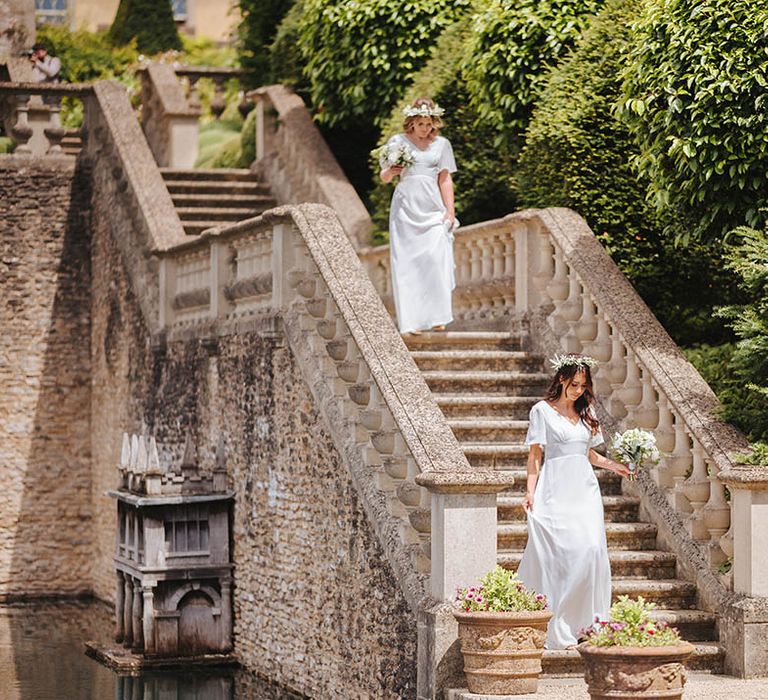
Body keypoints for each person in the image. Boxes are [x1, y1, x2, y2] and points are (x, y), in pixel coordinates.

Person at [517, 353, 631, 650]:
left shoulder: (587, 412)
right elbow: (535, 457)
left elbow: (589, 454)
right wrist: (530, 491)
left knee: (592, 550)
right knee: (562, 555)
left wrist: (616, 466)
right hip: (555, 487)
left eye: (583, 385)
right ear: (561, 379)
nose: (578, 390)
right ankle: (559, 623)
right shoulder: (541, 411)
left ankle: (589, 624)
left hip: (584, 490)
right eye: (574, 383)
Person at [379, 97, 457, 335]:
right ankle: (412, 321)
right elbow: (384, 177)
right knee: (407, 263)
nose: (426, 128)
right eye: (421, 123)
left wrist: (450, 210)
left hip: (432, 206)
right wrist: (391, 172)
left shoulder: (442, 144)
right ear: (411, 122)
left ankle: (438, 315)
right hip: (406, 207)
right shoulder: (397, 142)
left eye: (429, 123)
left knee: (436, 259)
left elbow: (444, 178)